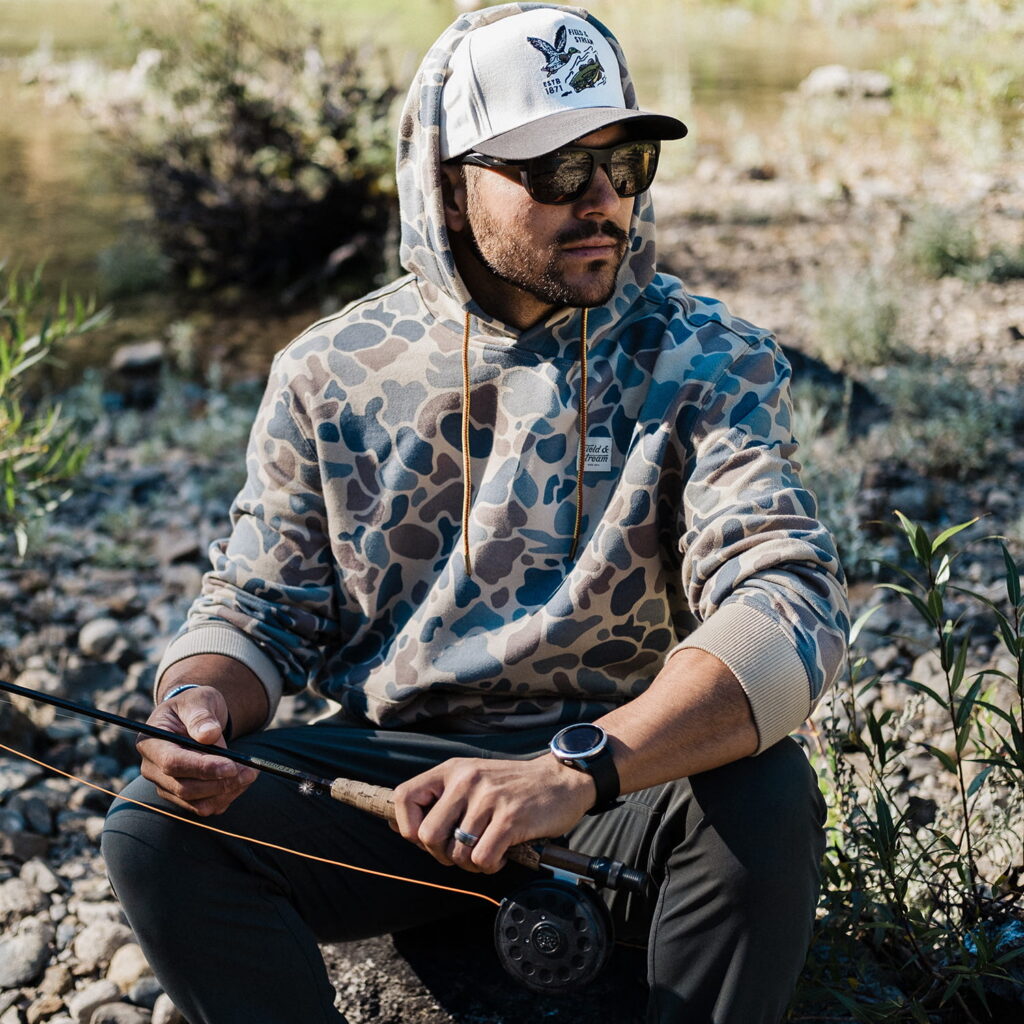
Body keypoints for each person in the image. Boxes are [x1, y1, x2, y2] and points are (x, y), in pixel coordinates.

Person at [102, 6, 849, 1023]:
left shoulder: (714, 359)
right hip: (391, 797)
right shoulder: (326, 371)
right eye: (558, 171)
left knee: (764, 796)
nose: (602, 200)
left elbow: (785, 603)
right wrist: (195, 701)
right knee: (156, 826)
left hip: (624, 778)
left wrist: (575, 770)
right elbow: (258, 608)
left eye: (624, 163)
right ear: (449, 189)